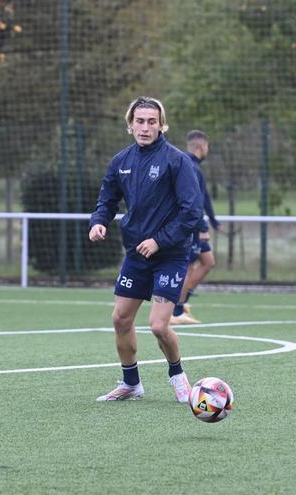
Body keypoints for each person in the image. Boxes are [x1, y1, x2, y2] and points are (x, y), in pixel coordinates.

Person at [89, 96, 202, 402]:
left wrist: (159, 240)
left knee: (158, 326)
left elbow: (192, 212)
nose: (145, 127)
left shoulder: (177, 161)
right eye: (140, 121)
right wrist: (98, 222)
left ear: (161, 125)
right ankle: (131, 384)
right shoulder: (120, 162)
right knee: (120, 319)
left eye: (152, 121)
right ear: (130, 124)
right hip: (137, 255)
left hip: (170, 255)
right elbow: (107, 201)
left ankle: (178, 376)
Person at [170, 130, 220, 325]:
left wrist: (214, 220)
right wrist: (202, 226)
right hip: (191, 226)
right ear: (201, 147)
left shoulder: (194, 166)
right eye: (207, 146)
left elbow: (204, 197)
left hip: (195, 223)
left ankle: (183, 302)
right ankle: (176, 311)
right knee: (188, 267)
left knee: (208, 261)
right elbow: (194, 202)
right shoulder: (189, 166)